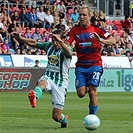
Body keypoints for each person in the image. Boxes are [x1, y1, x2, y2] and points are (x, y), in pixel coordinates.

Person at [12, 29, 73, 128]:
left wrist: (61, 42)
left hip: (61, 83)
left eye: (57, 40)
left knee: (56, 116)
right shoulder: (49, 46)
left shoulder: (68, 48)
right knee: (41, 82)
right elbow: (34, 43)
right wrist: (21, 38)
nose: (54, 43)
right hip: (48, 76)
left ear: (63, 39)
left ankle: (64, 119)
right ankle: (34, 96)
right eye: (53, 40)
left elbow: (69, 54)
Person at [65, 5, 116, 115]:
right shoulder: (74, 30)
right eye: (80, 15)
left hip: (95, 64)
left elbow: (113, 40)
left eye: (84, 15)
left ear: (89, 16)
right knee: (81, 93)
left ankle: (92, 117)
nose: (82, 17)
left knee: (92, 92)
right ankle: (90, 84)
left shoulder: (97, 29)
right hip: (81, 66)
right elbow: (67, 43)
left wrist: (101, 40)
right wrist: (62, 41)